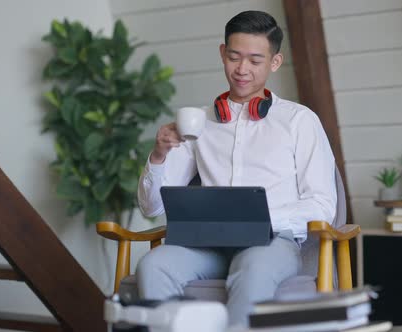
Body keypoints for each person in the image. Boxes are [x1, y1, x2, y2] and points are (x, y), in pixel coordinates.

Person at [136, 10, 338, 327]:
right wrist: (160, 154)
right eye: (234, 57)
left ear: (274, 62)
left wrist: (257, 218)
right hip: (208, 244)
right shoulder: (199, 122)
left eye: (255, 61)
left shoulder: (299, 121)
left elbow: (323, 206)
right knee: (154, 265)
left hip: (271, 243)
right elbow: (151, 206)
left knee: (254, 268)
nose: (242, 70)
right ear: (222, 53)